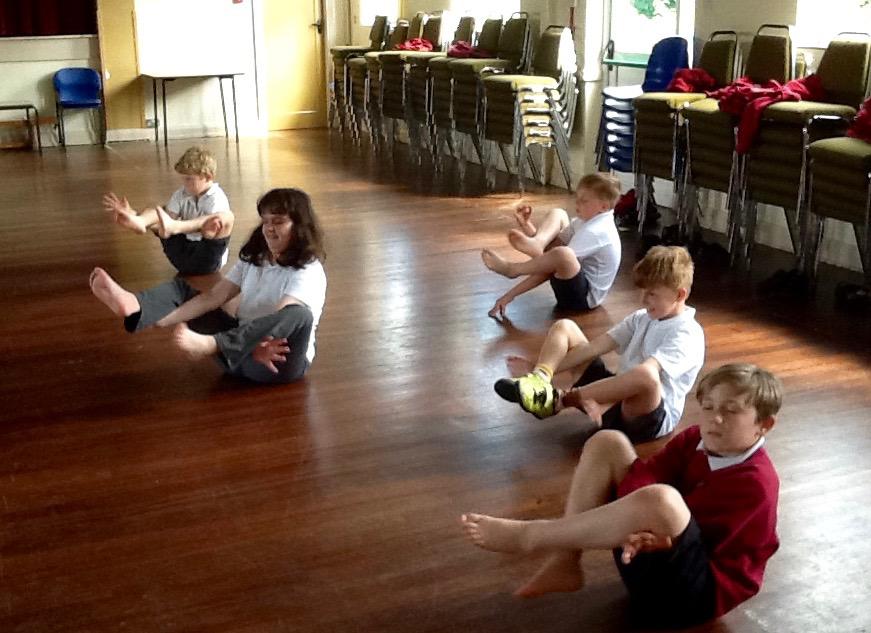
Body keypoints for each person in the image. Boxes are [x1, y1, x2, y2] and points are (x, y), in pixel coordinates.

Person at [462, 363, 783, 627]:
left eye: (731, 411)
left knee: (662, 501)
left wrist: (656, 524)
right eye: (709, 407)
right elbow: (651, 471)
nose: (714, 418)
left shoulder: (756, 484)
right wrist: (637, 511)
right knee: (609, 442)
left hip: (691, 596)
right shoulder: (694, 439)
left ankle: (531, 536)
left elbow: (717, 549)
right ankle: (565, 560)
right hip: (643, 554)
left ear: (764, 425)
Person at [89, 188, 326, 384]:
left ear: (299, 227)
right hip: (239, 354)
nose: (269, 228)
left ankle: (214, 343)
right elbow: (213, 297)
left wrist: (245, 345)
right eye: (266, 221)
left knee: (300, 315)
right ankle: (136, 308)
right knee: (183, 290)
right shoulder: (255, 258)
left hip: (275, 363)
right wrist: (161, 318)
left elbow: (281, 324)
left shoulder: (308, 271)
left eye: (279, 222)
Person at [495, 245, 704, 444]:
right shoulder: (642, 317)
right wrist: (539, 367)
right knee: (565, 327)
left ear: (680, 294)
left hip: (645, 416)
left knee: (646, 375)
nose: (643, 299)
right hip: (613, 394)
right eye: (642, 291)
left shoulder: (687, 334)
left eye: (652, 294)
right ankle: (538, 380)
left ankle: (560, 400)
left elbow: (645, 378)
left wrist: (597, 399)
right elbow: (593, 348)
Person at [481, 173, 621, 318]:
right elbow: (551, 252)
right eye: (577, 198)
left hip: (582, 300)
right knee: (559, 214)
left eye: (584, 201)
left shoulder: (596, 232)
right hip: (571, 279)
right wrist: (528, 226)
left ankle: (513, 269)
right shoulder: (585, 221)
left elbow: (552, 264)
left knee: (564, 254)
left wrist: (510, 294)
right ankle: (537, 242)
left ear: (603, 206)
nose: (577, 203)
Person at [103, 146, 235, 275]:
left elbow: (210, 231)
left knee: (221, 218)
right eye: (183, 178)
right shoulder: (181, 194)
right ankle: (140, 220)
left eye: (189, 179)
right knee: (160, 211)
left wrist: (176, 227)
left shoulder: (216, 199)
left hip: (206, 260)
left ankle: (171, 226)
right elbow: (166, 218)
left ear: (208, 177)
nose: (184, 183)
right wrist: (135, 215)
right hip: (182, 255)